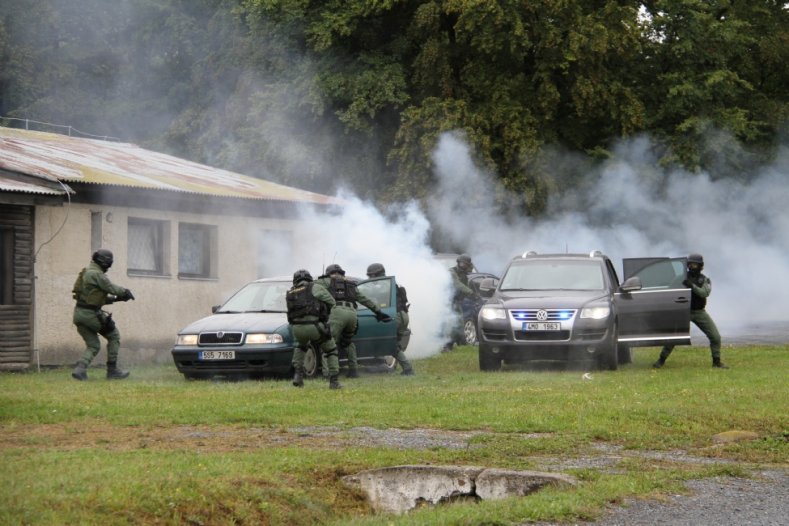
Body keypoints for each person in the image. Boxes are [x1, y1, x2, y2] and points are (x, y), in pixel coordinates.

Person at [653, 253, 727, 369]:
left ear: (701, 266)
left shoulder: (705, 280)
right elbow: (670, 289)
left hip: (699, 312)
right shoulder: (682, 277)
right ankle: (661, 360)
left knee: (715, 336)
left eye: (695, 265)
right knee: (673, 337)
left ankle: (716, 362)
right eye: (691, 264)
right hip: (683, 311)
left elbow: (704, 293)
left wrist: (691, 286)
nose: (692, 267)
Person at [317, 263, 392, 378]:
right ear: (342, 273)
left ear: (328, 274)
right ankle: (353, 371)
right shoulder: (351, 284)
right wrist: (379, 312)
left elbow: (311, 288)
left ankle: (327, 373)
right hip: (352, 314)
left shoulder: (325, 281)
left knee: (328, 343)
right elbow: (365, 300)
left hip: (336, 313)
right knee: (348, 343)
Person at [71, 249, 135, 381]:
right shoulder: (96, 274)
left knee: (93, 345)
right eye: (109, 263)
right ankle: (112, 371)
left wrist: (118, 299)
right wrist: (125, 292)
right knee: (114, 336)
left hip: (79, 315)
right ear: (105, 262)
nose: (109, 266)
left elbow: (95, 299)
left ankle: (80, 369)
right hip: (91, 315)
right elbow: (111, 287)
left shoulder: (86, 272)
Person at [286, 269, 342, 389]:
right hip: (315, 326)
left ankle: (298, 376)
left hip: (297, 329)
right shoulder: (315, 287)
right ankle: (334, 381)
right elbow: (332, 302)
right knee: (331, 349)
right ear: (309, 279)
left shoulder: (291, 292)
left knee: (300, 347)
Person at [366, 263, 414, 376]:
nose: (370, 279)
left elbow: (375, 295)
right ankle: (402, 368)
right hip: (403, 315)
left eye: (371, 276)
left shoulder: (384, 285)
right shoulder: (393, 284)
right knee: (394, 343)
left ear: (377, 274)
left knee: (390, 344)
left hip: (396, 316)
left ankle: (408, 369)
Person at [443, 253, 477, 352]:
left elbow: (465, 287)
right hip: (447, 301)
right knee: (452, 323)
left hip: (456, 301)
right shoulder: (451, 272)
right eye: (461, 263)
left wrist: (474, 296)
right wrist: (470, 292)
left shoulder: (465, 274)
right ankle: (446, 346)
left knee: (459, 323)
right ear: (458, 263)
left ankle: (456, 343)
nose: (463, 266)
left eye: (465, 264)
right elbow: (457, 284)